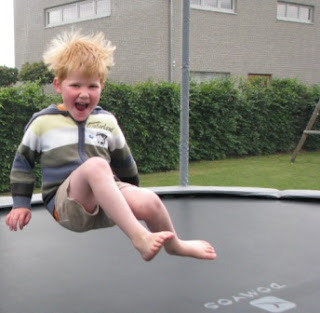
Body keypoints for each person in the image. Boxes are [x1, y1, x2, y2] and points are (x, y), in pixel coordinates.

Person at [5, 30, 216, 262]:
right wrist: (21, 204)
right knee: (96, 166)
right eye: (75, 85)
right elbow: (23, 162)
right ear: (58, 85)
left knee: (150, 200)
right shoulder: (43, 122)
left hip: (107, 201)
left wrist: (134, 195)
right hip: (68, 206)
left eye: (92, 86)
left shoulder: (107, 121)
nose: (84, 94)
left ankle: (175, 245)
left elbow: (124, 162)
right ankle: (139, 237)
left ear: (102, 86)